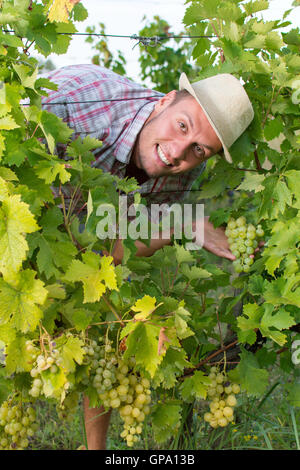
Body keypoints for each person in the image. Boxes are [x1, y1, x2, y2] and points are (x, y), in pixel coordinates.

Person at [41, 64, 254, 449]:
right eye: (183, 126)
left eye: (199, 150)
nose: (176, 153)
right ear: (166, 100)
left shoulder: (182, 176)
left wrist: (179, 223)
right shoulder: (79, 104)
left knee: (105, 329)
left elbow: (109, 250)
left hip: (72, 240)